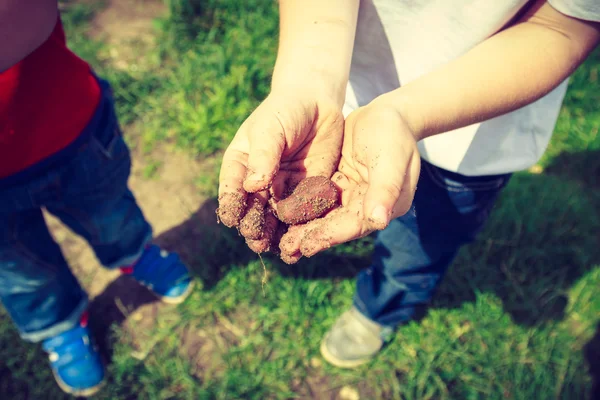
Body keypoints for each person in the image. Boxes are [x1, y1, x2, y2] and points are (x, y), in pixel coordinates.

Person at [218, 0, 600, 368]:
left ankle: (380, 308)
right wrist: (307, 83)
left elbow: (564, 25)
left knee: (420, 245)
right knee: (376, 215)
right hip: (345, 110)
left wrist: (405, 114)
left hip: (472, 142)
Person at [0, 2, 194, 396]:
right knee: (21, 270)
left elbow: (32, 15)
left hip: (66, 130)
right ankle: (61, 326)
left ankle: (134, 254)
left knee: (110, 214)